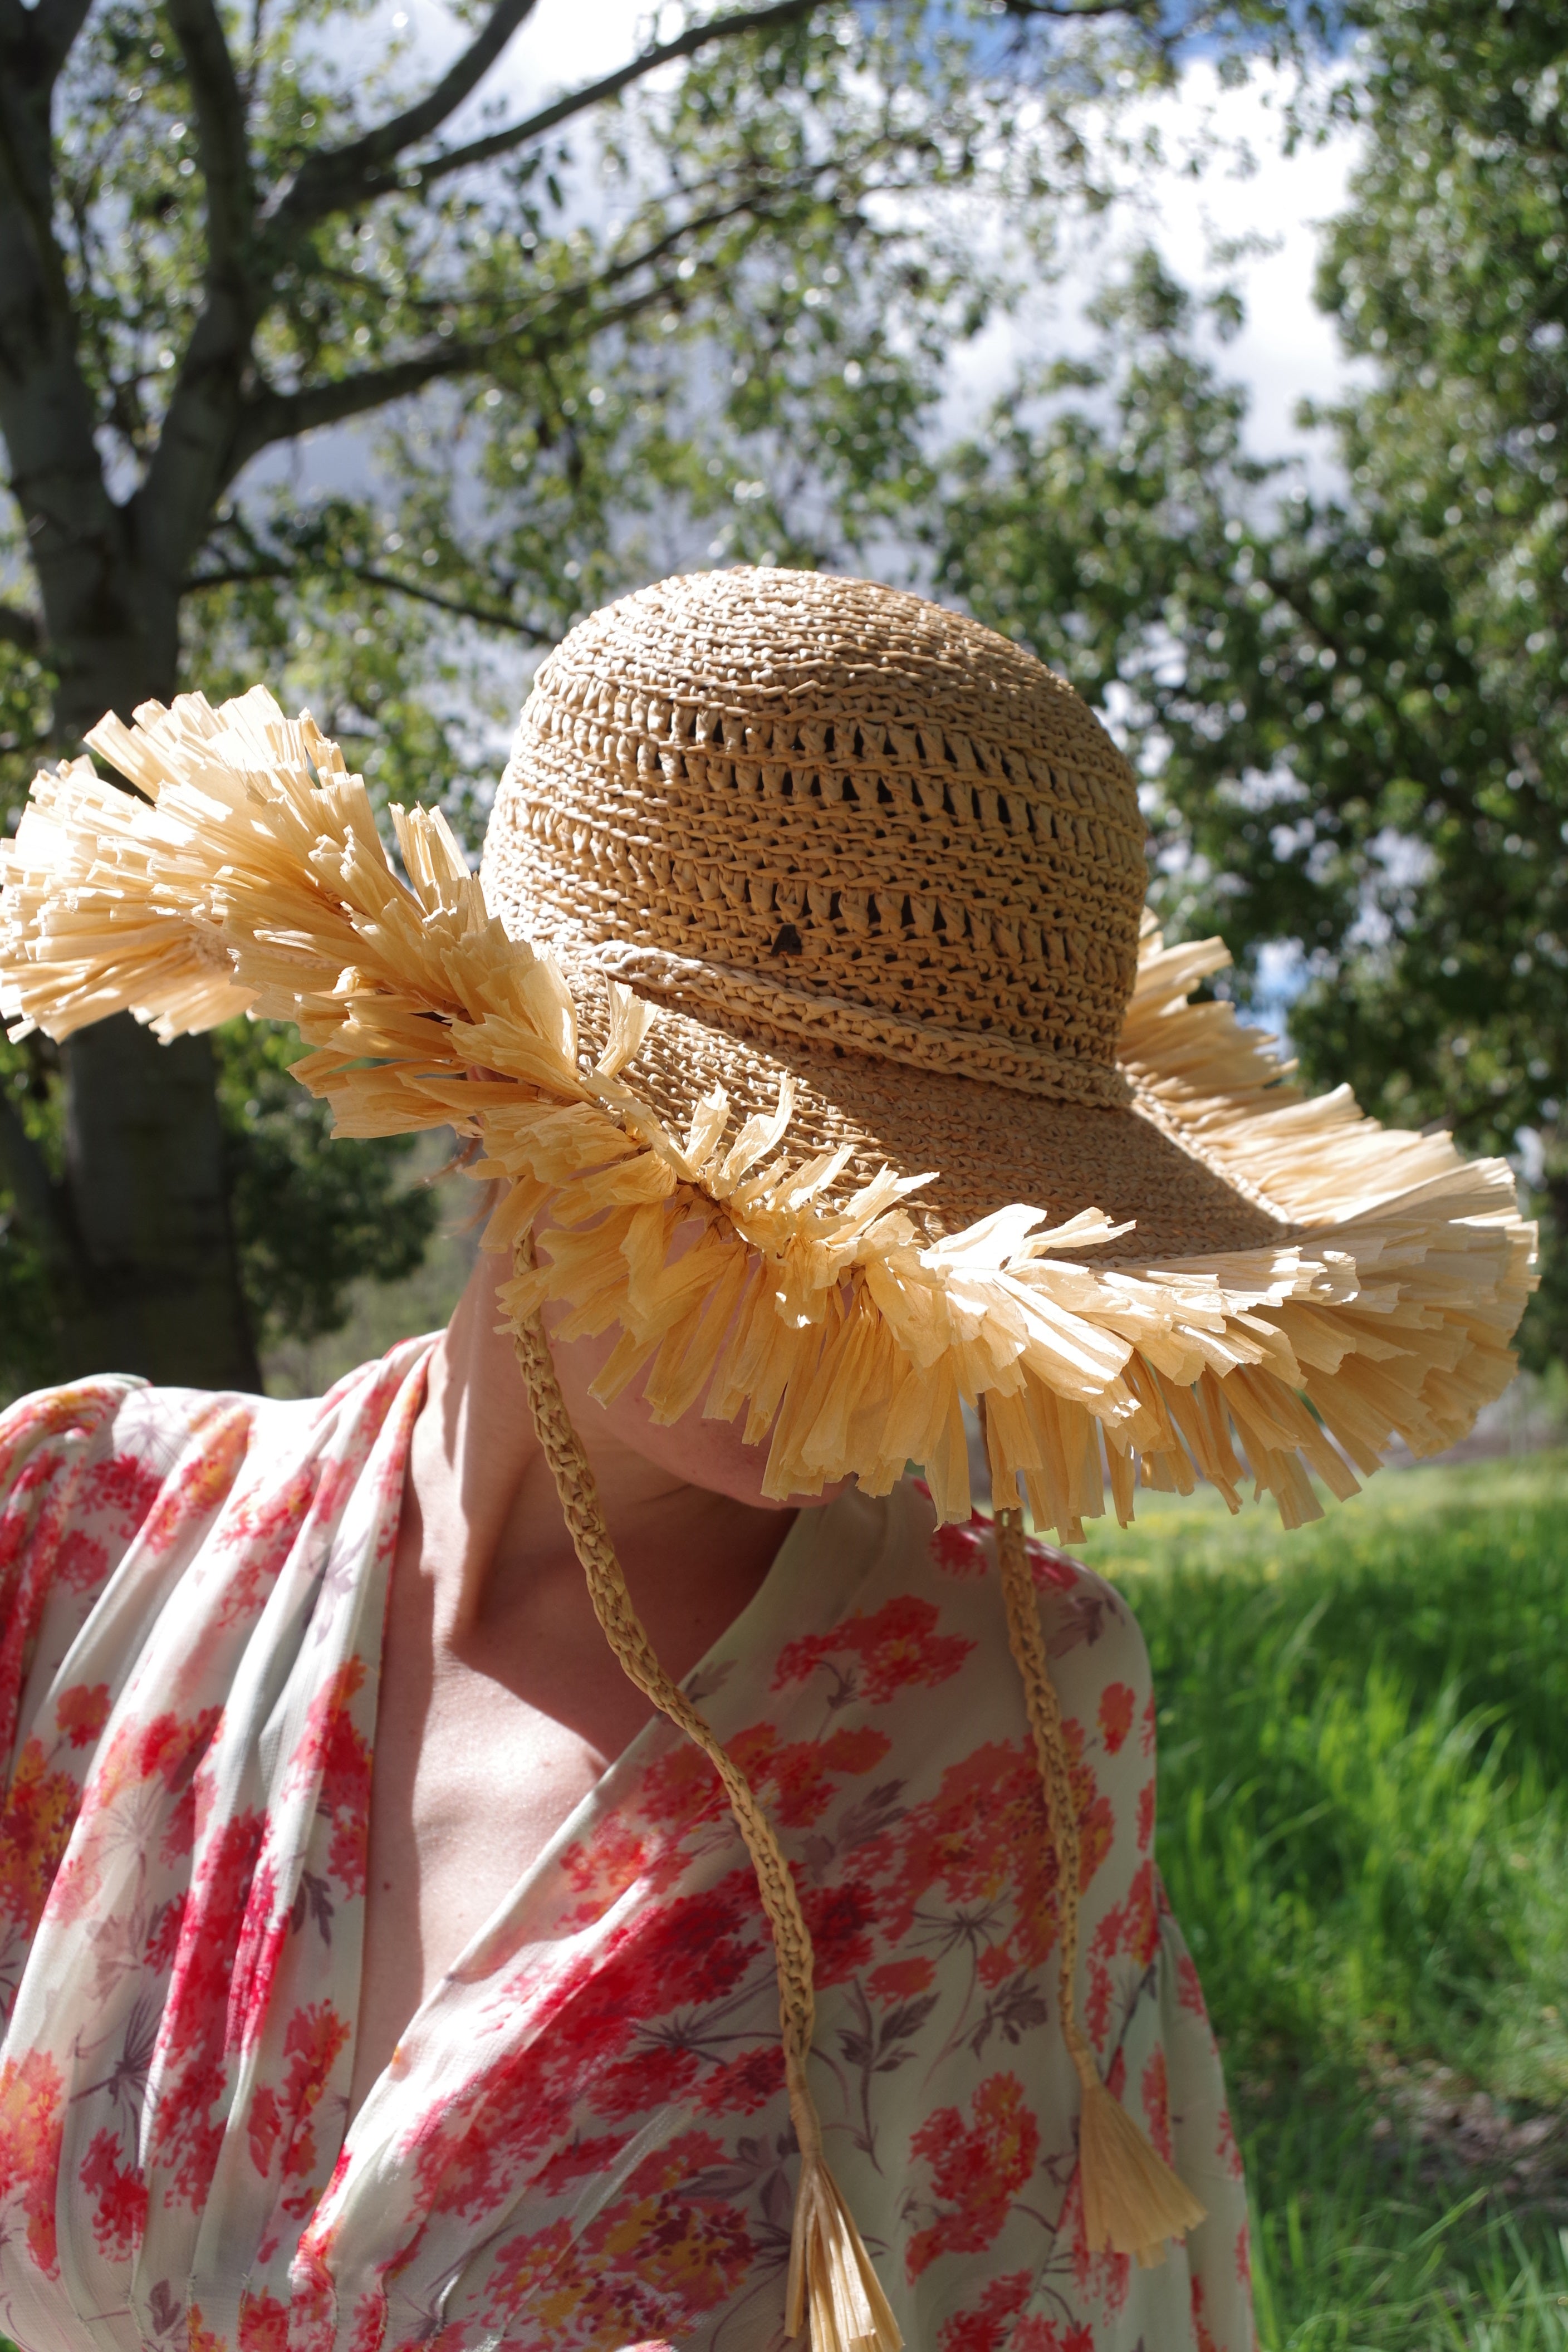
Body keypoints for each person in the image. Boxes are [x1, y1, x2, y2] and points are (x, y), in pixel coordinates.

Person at [0, 569, 1531, 2352]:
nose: (839, 1308)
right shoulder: (78, 1535)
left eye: (927, 1236)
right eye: (766, 1195)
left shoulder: (993, 1713)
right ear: (490, 1082)